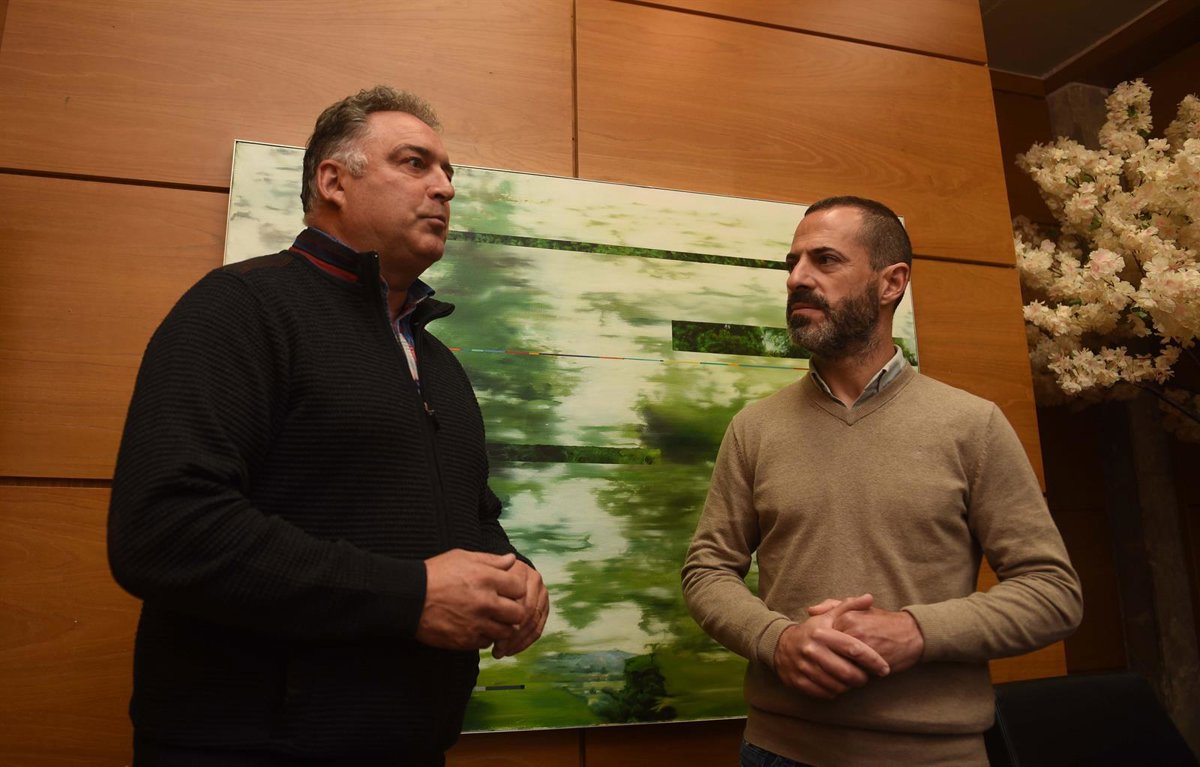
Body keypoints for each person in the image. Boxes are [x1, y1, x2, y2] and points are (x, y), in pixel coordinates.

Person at [108, 85, 549, 766]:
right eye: (415, 163)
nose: (445, 188)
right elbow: (165, 528)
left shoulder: (440, 364)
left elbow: (470, 515)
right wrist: (409, 595)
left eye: (447, 172)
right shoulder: (238, 308)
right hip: (247, 749)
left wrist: (512, 572)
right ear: (333, 181)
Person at [681, 196, 1083, 767]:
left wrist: (915, 631)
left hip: (933, 758)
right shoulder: (754, 428)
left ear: (891, 283)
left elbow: (1052, 593)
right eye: (792, 263)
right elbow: (706, 572)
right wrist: (778, 640)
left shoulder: (973, 425)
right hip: (776, 752)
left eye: (825, 260)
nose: (797, 278)